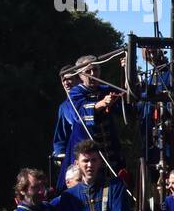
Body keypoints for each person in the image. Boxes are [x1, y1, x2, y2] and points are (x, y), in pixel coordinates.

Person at [52, 56, 125, 193]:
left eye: (96, 70)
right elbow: (79, 114)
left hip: (109, 154)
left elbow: (127, 100)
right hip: (84, 154)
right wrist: (101, 104)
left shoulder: (106, 89)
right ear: (80, 74)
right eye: (89, 71)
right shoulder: (75, 93)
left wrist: (125, 71)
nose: (93, 74)